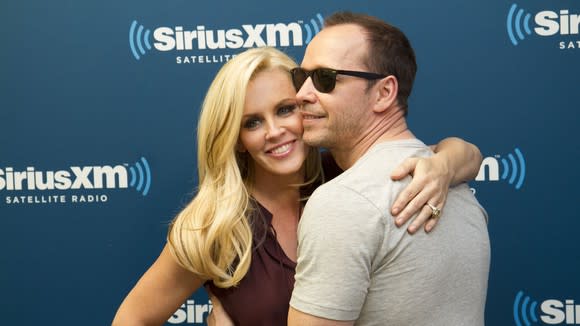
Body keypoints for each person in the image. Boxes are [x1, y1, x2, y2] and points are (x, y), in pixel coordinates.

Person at [111, 46, 483, 326]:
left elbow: (465, 154)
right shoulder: (213, 226)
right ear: (235, 138)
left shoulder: (348, 178)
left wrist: (443, 166)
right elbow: (132, 318)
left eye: (285, 109)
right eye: (252, 122)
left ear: (306, 105)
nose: (275, 132)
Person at [287, 12, 491, 326]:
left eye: (325, 78)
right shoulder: (456, 186)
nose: (302, 95)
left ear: (384, 93)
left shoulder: (343, 202)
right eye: (301, 77)